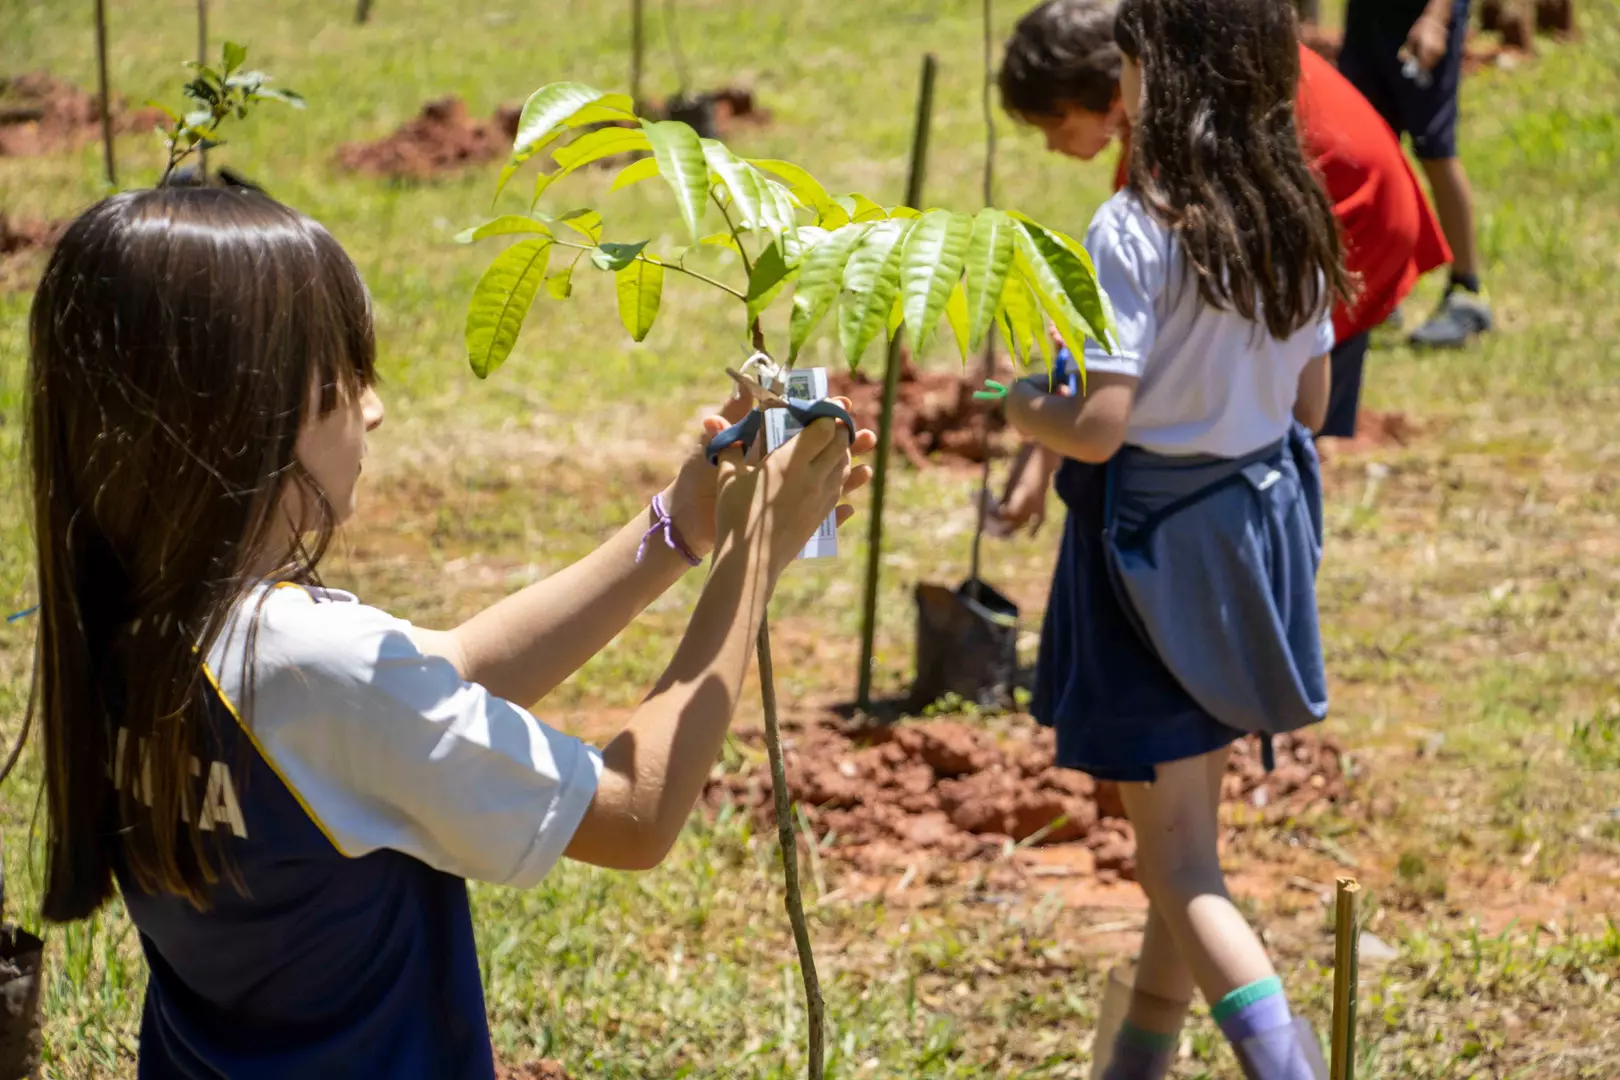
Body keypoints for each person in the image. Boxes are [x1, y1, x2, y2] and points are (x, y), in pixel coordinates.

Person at [25, 186, 875, 1079]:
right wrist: (753, 561)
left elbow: (452, 670)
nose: (375, 409)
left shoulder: (133, 613)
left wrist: (677, 529)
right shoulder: (313, 668)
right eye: (340, 381)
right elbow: (634, 814)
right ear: (238, 422)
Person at [994, 1, 1351, 1078]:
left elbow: (1098, 430)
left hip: (1145, 553)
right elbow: (1314, 399)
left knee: (1184, 866)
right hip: (1251, 541)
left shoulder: (1132, 225)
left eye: (1135, 59)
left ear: (1169, 74)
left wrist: (1020, 404)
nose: (1124, 77)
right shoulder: (1292, 208)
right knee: (1183, 845)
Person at [994, 0, 1448, 468]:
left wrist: (1041, 420)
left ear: (1117, 86)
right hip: (1343, 211)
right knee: (1270, 411)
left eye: (1055, 125)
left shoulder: (1157, 185)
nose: (1052, 145)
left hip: (1358, 216)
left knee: (1238, 394)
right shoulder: (1212, 82)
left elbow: (1120, 389)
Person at [1339, 0, 1492, 348]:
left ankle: (1467, 293)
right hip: (1369, 17)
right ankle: (1376, 288)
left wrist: (1436, 18)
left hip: (1422, 17)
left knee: (1435, 149)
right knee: (1365, 145)